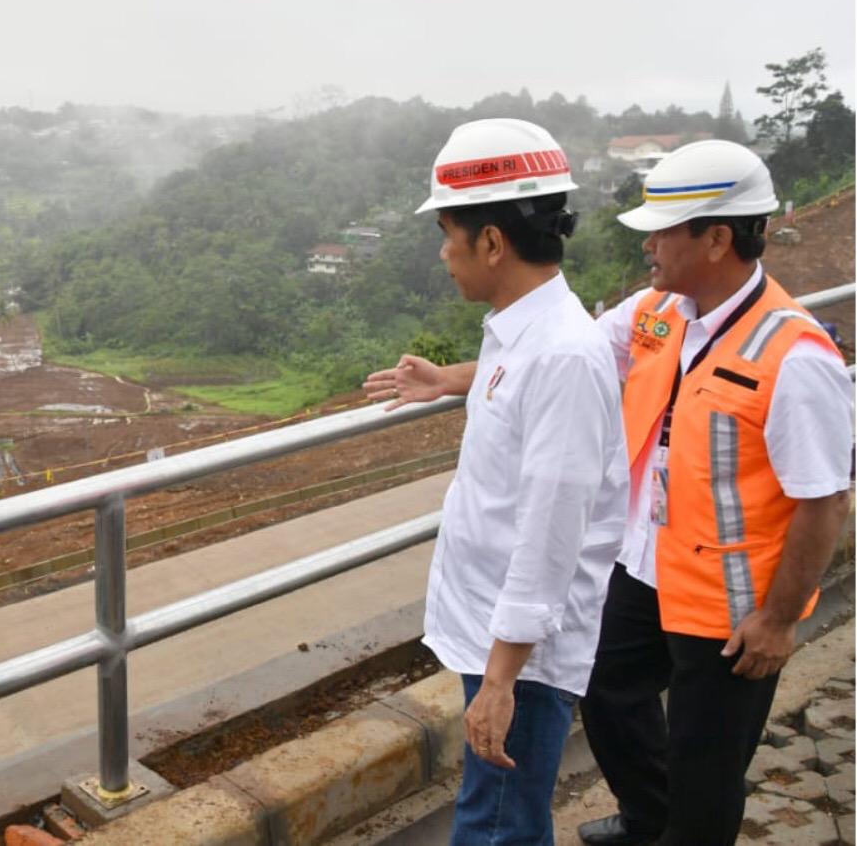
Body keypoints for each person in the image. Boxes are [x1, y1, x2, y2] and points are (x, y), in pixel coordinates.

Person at [574, 140, 854, 846]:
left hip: (734, 609)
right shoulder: (659, 310)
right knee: (606, 693)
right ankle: (648, 820)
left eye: (663, 232)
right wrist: (453, 379)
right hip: (650, 567)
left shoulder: (795, 356)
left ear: (718, 237)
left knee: (706, 771)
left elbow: (825, 500)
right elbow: (568, 357)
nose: (649, 247)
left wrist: (780, 618)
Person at [364, 118, 629, 845]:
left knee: (497, 825)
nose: (445, 253)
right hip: (500, 634)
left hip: (524, 651)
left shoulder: (565, 355)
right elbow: (520, 384)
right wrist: (447, 378)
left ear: (491, 241)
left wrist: (504, 678)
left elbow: (550, 530)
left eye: (449, 234)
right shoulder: (522, 330)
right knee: (498, 813)